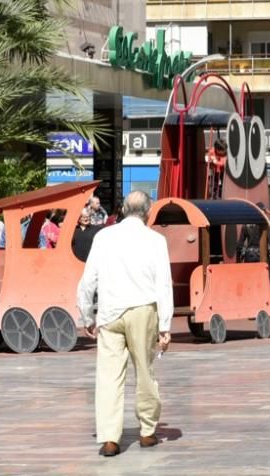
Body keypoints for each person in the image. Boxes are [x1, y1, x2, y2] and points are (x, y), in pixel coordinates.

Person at [76, 191, 173, 458]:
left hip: (110, 311)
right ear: (148, 213)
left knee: (108, 376)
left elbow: (88, 281)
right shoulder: (156, 240)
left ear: (122, 209)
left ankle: (109, 438)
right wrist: (165, 325)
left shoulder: (104, 236)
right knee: (144, 370)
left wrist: (87, 316)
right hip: (143, 308)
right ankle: (147, 430)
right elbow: (163, 285)